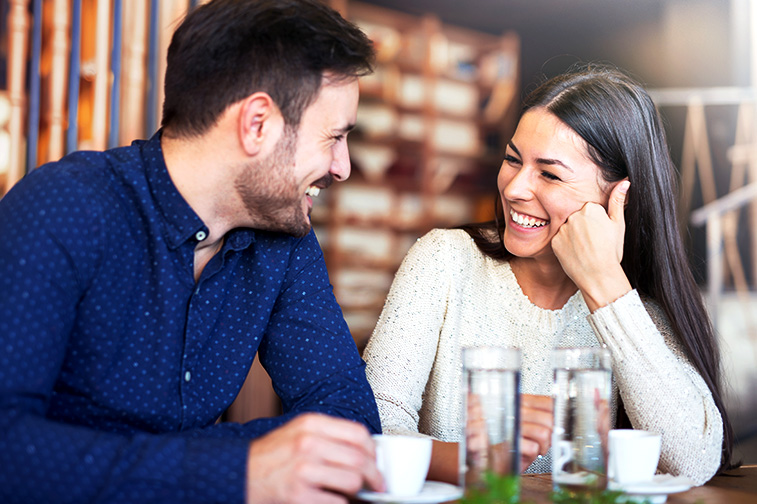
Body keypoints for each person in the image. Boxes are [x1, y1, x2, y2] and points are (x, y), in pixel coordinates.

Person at [0, 1, 386, 503]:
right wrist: (239, 469)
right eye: (334, 137)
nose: (343, 168)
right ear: (257, 124)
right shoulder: (65, 208)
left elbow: (348, 419)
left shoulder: (285, 242)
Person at [363, 64, 735, 486]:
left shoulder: (636, 308)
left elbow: (694, 461)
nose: (515, 188)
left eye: (550, 173)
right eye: (512, 159)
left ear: (618, 199)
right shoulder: (445, 261)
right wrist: (478, 458)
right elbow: (372, 426)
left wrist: (605, 287)